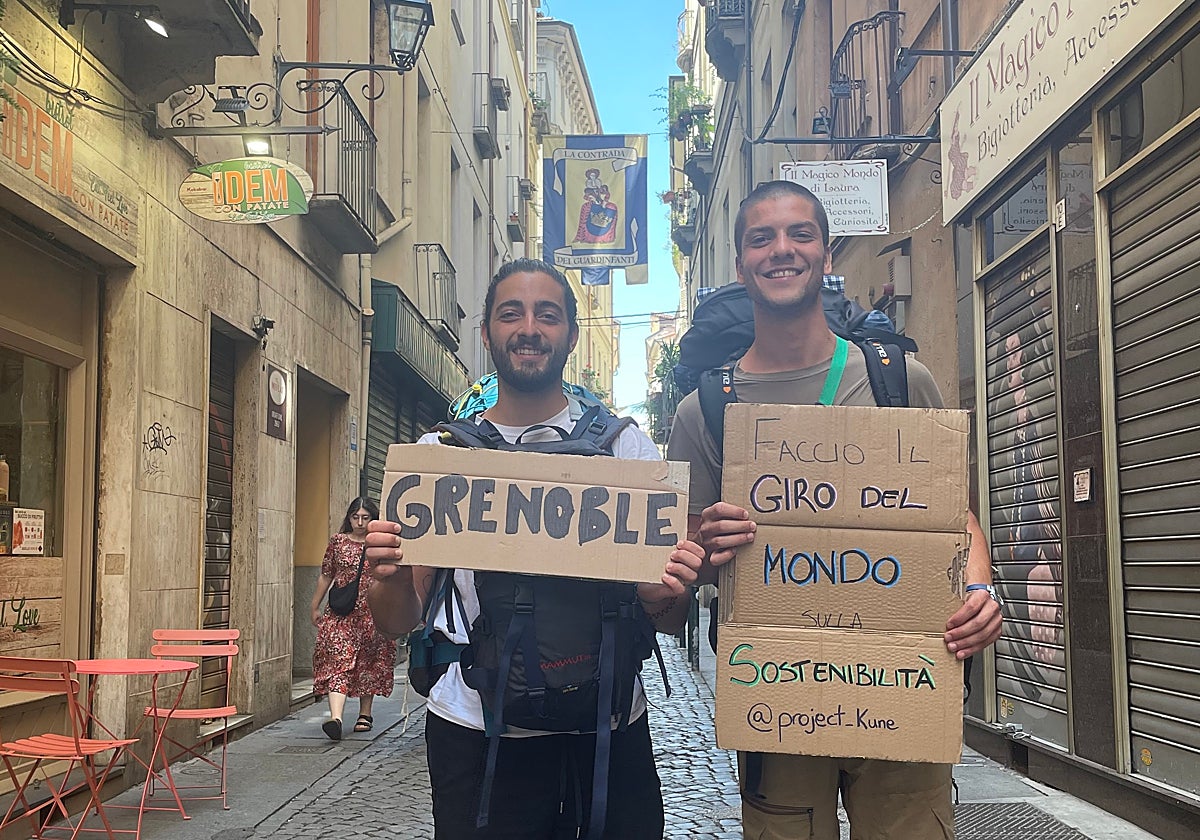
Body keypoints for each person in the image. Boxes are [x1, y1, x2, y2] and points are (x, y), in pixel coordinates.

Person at [666, 180, 1004, 840]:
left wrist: (981, 590)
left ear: (825, 256)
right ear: (741, 265)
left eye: (800, 234)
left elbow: (956, 521)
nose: (781, 249)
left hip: (903, 689)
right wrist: (710, 550)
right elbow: (679, 565)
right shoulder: (703, 409)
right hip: (779, 703)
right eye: (761, 238)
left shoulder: (900, 379)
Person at [365, 258, 704, 839]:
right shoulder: (441, 459)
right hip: (474, 731)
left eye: (547, 315)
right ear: (488, 334)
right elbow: (399, 622)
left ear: (571, 334)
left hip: (607, 730)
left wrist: (667, 593)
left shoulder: (629, 454)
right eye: (511, 314)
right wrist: (390, 577)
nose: (529, 329)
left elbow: (670, 619)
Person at [310, 496, 396, 741]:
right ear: (348, 518)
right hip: (342, 612)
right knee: (338, 660)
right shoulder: (338, 542)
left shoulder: (381, 545)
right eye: (355, 517)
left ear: (373, 519)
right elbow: (326, 575)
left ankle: (364, 714)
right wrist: (314, 605)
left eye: (365, 518)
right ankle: (336, 718)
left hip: (373, 611)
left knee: (369, 662)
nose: (359, 522)